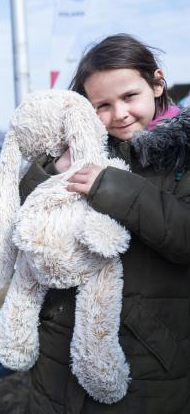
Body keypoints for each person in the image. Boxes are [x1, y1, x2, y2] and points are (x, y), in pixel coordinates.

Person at [20, 34, 189, 414]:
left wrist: (111, 187)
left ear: (157, 83)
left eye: (130, 97)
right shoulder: (79, 150)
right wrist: (49, 170)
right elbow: (21, 219)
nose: (119, 115)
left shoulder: (185, 153)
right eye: (102, 106)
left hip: (147, 351)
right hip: (61, 342)